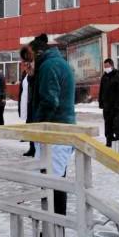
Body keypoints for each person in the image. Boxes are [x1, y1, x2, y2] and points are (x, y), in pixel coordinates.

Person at [29, 34, 75, 216]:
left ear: (38, 53)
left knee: (53, 183)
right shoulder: (53, 63)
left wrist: (37, 127)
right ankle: (53, 230)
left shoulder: (49, 66)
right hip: (58, 130)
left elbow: (49, 100)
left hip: (55, 131)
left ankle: (54, 231)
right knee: (53, 181)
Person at [98, 58, 119, 148]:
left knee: (117, 125)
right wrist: (101, 102)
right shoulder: (104, 77)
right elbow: (101, 91)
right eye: (105, 66)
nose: (106, 68)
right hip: (107, 106)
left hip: (116, 106)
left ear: (112, 66)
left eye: (107, 66)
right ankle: (109, 142)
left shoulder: (118, 76)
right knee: (108, 125)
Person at [18, 48, 36, 157]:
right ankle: (32, 148)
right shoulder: (25, 74)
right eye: (24, 62)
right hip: (27, 104)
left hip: (33, 104)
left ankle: (35, 149)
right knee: (29, 126)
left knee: (34, 128)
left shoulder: (34, 72)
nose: (26, 64)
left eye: (27, 62)